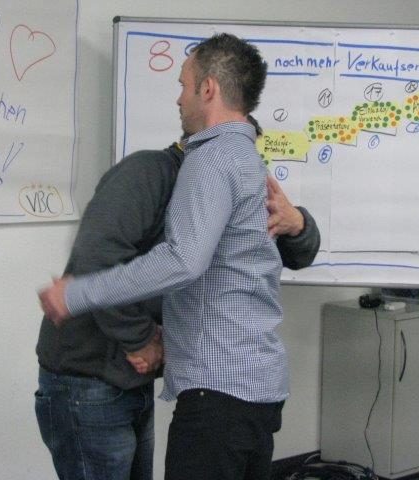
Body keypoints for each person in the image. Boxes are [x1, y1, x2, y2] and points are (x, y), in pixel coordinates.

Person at [39, 33, 313, 479]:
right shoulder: (244, 158)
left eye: (184, 85)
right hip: (250, 387)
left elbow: (183, 260)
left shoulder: (210, 159)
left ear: (208, 88)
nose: (179, 98)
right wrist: (141, 338)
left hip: (219, 394)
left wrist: (77, 294)